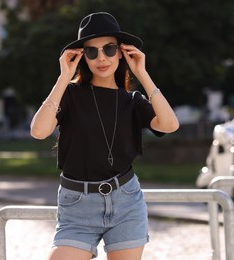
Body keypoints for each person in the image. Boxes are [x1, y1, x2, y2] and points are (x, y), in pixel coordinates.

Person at [30, 12, 179, 260]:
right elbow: (39, 131)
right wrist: (63, 77)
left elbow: (170, 124)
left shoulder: (133, 101)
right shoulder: (70, 95)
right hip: (77, 205)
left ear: (121, 53)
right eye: (92, 51)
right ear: (82, 57)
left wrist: (142, 73)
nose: (101, 58)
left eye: (109, 49)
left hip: (126, 201)